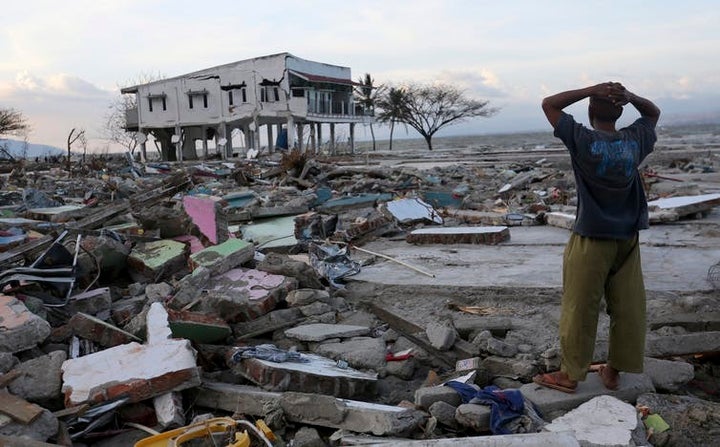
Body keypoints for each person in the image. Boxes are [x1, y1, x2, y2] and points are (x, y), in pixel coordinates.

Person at [533, 82, 661, 393]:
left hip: (592, 236)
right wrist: (630, 98)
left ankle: (570, 375)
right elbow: (653, 112)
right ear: (621, 111)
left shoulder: (583, 140)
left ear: (590, 110)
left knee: (580, 305)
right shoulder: (634, 139)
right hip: (628, 237)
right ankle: (614, 371)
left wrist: (592, 89)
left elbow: (549, 104)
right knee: (629, 305)